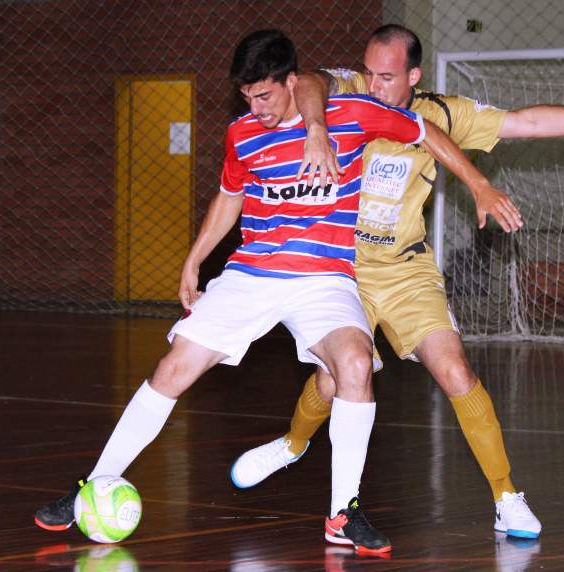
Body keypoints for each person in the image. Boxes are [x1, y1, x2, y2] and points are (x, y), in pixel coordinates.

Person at [33, 28, 518, 555]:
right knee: (173, 367)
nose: (255, 107)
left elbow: (427, 133)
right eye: (246, 97)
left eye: (264, 94)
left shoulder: (352, 114)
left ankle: (343, 513)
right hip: (253, 274)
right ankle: (93, 482)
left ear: (291, 83)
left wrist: (479, 184)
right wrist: (193, 260)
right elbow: (228, 198)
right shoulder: (242, 134)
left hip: (324, 277)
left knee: (354, 364)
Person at [229, 24, 564, 540]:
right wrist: (314, 127)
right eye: (369, 73)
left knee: (456, 370)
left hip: (405, 269)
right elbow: (305, 79)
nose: (375, 86)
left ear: (414, 75)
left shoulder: (442, 113)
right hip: (341, 268)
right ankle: (292, 444)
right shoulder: (348, 92)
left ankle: (507, 498)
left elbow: (526, 122)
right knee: (335, 382)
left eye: (388, 77)